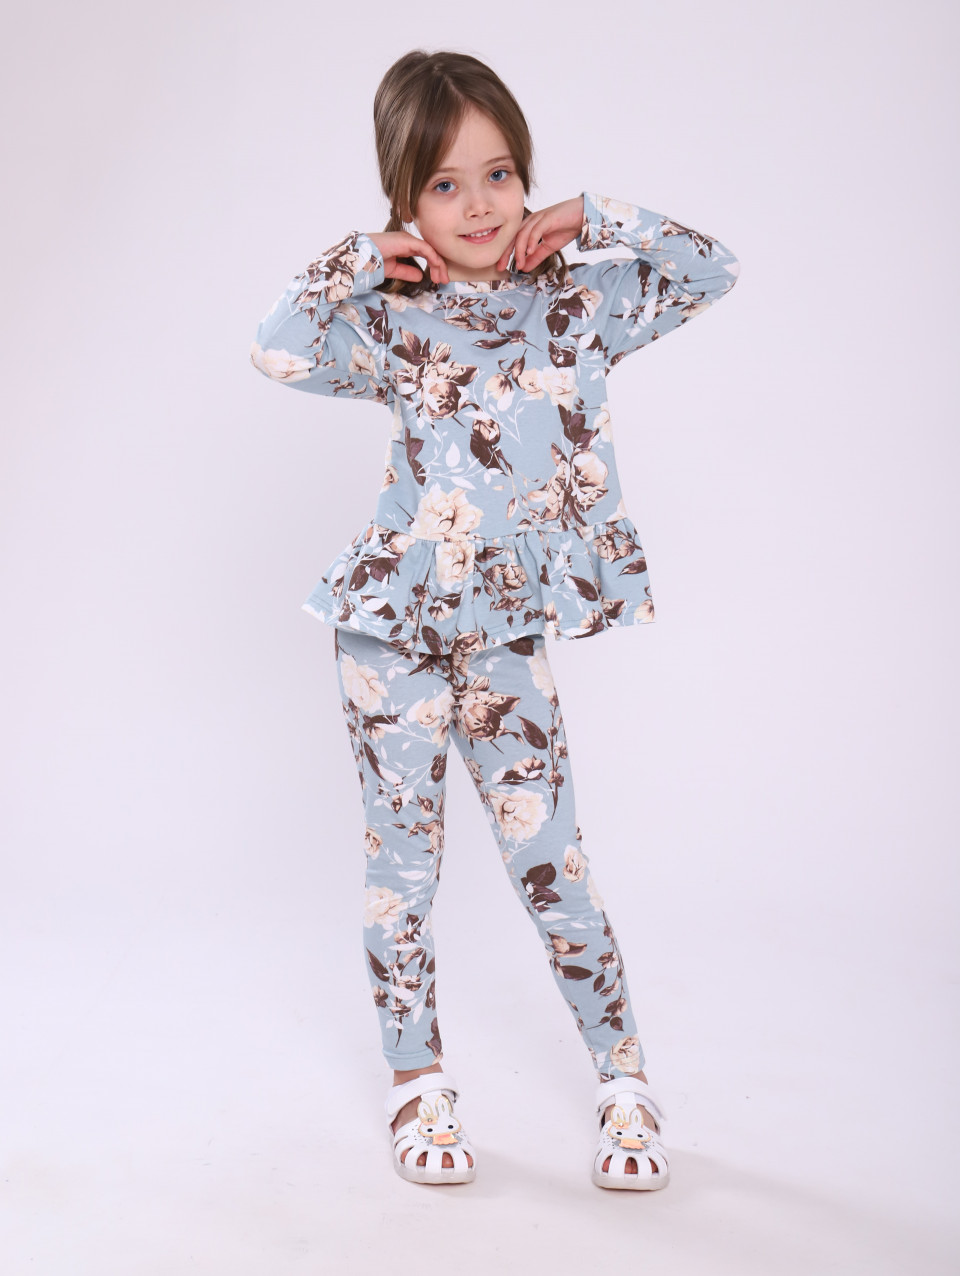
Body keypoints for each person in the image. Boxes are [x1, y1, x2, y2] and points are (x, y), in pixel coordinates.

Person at [250, 48, 740, 1191]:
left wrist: (594, 214)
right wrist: (358, 258)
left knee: (552, 861)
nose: (478, 205)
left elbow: (714, 270)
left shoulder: (578, 304)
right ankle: (416, 1081)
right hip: (390, 633)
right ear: (405, 201)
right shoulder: (390, 319)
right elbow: (275, 345)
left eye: (500, 174)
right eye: (444, 185)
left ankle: (625, 1077)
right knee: (403, 873)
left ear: (527, 177)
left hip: (505, 633)